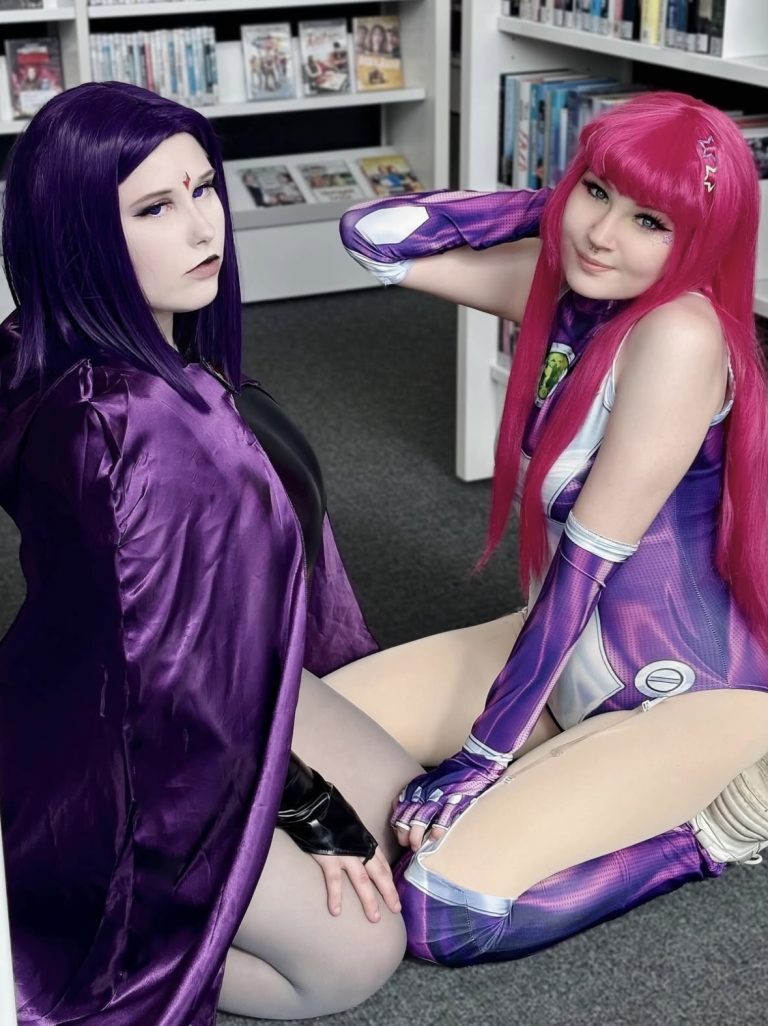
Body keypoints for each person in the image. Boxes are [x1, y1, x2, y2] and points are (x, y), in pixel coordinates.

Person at [0, 80, 433, 1026]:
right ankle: (64, 929)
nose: (205, 229)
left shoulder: (56, 343)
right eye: (155, 208)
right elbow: (162, 681)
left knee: (408, 819)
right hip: (131, 747)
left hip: (135, 681)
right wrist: (306, 805)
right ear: (76, 234)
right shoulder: (137, 425)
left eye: (202, 189)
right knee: (354, 956)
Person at [336, 90, 768, 965]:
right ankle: (555, 760)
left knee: (442, 913)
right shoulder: (574, 287)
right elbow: (374, 238)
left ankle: (716, 830)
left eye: (650, 221)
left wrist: (476, 761)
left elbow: (582, 571)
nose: (603, 235)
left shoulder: (680, 335)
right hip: (557, 651)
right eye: (597, 193)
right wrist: (559, 204)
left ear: (700, 238)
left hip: (686, 696)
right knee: (298, 746)